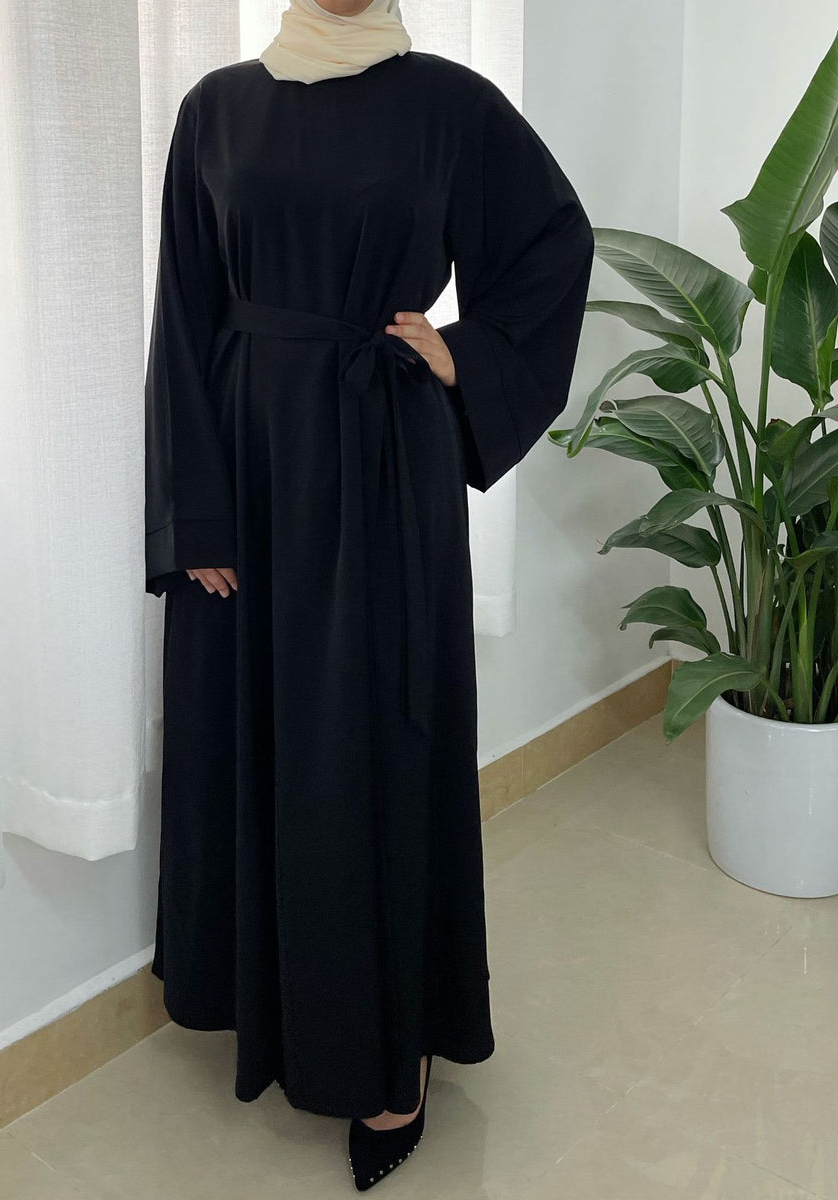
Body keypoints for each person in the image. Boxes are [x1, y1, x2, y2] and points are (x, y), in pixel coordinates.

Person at [143, 0, 594, 1188]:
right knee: (265, 742)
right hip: (249, 470)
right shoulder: (214, 111)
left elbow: (553, 241)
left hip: (383, 465)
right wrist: (195, 512)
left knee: (378, 745)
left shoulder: (450, 105)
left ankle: (396, 1049)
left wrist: (466, 353)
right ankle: (281, 1009)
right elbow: (184, 314)